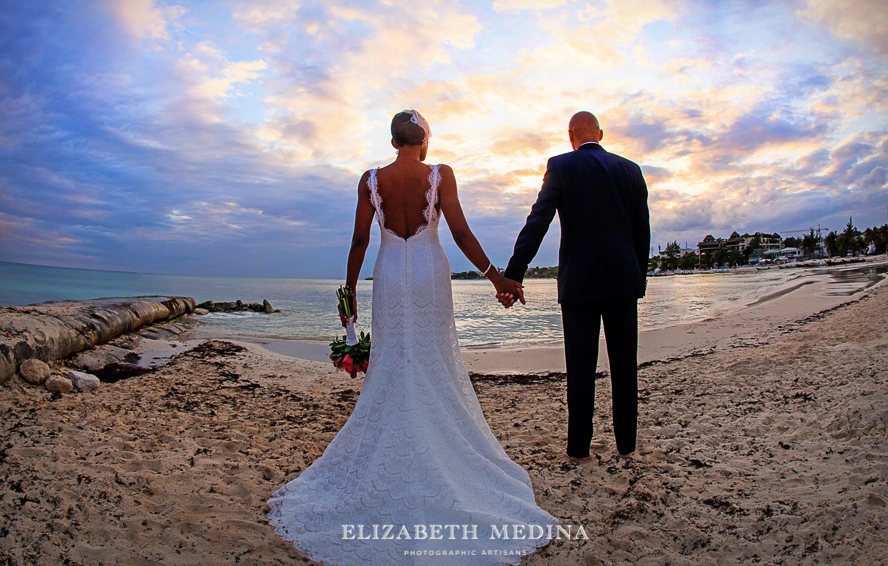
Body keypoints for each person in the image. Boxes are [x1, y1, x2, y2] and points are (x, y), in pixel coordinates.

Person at [266, 110, 557, 565]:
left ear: (392, 139)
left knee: (392, 361)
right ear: (423, 140)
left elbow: (360, 240)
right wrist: (498, 279)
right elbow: (459, 232)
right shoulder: (440, 174)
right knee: (433, 360)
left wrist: (348, 294)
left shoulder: (371, 179)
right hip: (427, 275)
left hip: (389, 277)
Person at [501, 111, 650, 463]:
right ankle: (626, 445)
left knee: (581, 369)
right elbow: (641, 231)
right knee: (625, 366)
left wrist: (513, 275)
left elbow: (537, 222)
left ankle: (579, 449)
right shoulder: (631, 169)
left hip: (580, 283)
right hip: (623, 282)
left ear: (571, 135)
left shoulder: (562, 166)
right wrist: (638, 278)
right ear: (600, 133)